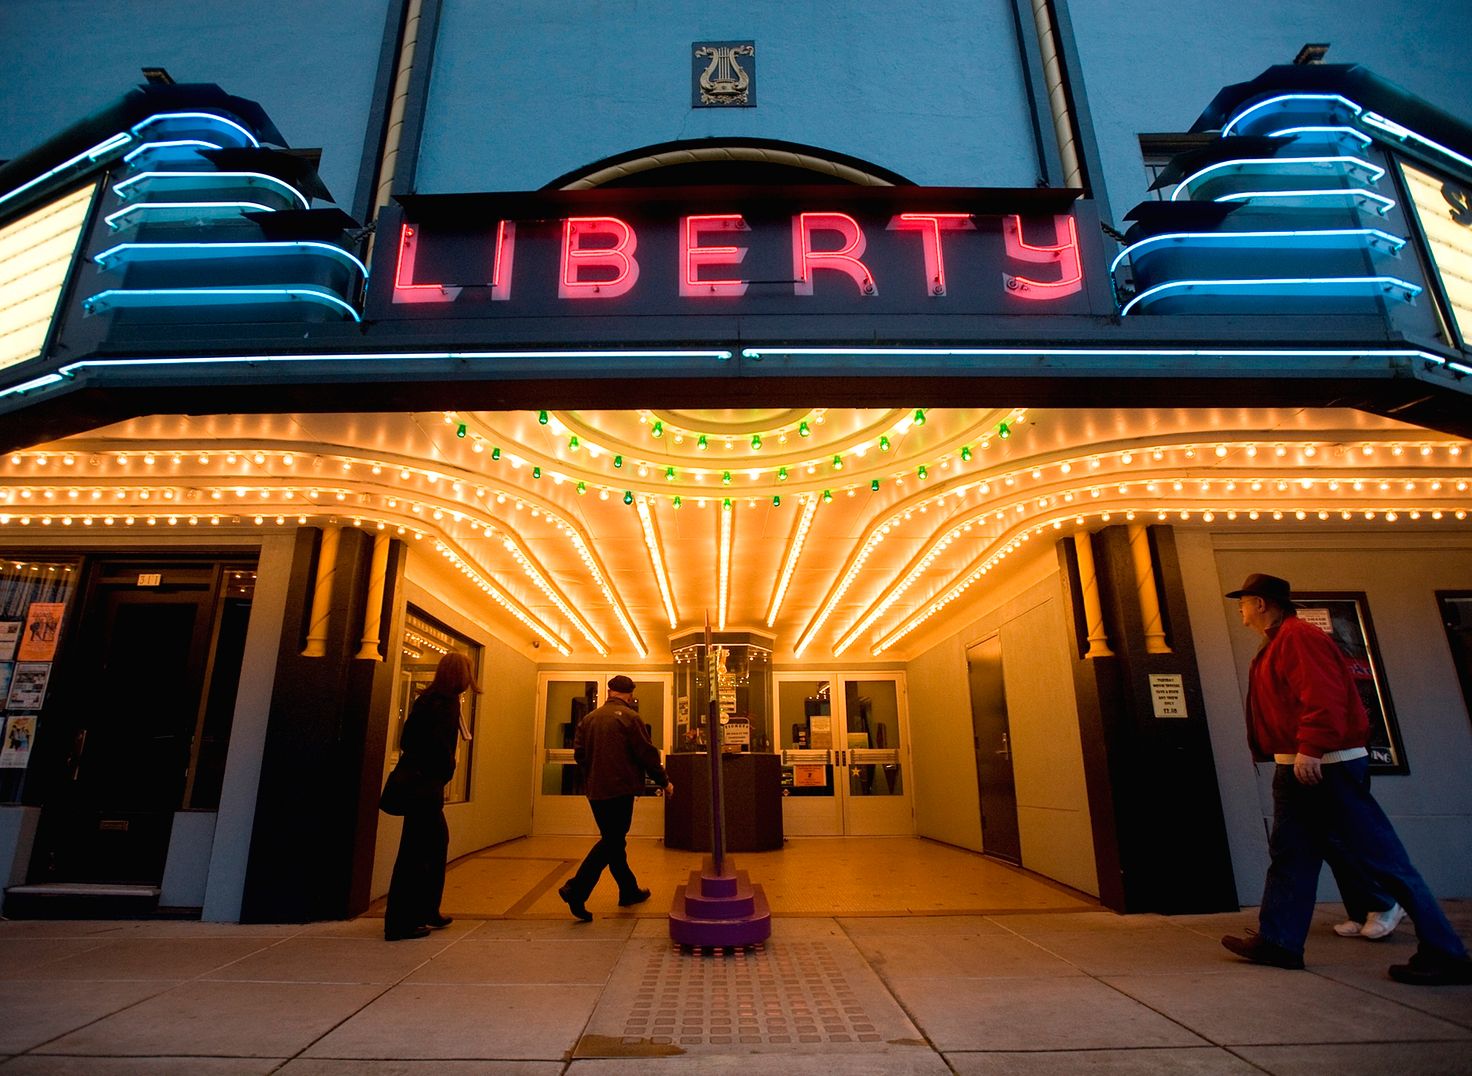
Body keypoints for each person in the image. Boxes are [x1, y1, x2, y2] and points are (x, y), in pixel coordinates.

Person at [1219, 573, 1472, 985]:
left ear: (1261, 603)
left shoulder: (1298, 638)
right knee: (1291, 856)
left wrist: (1312, 748)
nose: (1241, 610)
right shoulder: (1280, 641)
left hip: (1325, 766)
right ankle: (1279, 940)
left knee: (1381, 857)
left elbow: (1323, 695)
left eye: (1244, 602)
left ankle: (1446, 951)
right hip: (1301, 764)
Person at [558, 674, 673, 921]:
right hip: (620, 790)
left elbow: (580, 755)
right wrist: (664, 781)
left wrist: (595, 773)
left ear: (610, 691)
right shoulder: (631, 718)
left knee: (614, 841)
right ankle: (576, 889)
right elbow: (646, 754)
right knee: (612, 841)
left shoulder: (588, 719)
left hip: (596, 790)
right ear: (630, 694)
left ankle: (628, 890)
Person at [384, 651, 478, 941]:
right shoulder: (445, 704)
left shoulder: (428, 699)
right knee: (419, 851)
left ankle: (425, 911)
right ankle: (402, 922)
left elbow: (409, 739)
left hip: (419, 786)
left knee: (431, 846)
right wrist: (446, 769)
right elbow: (437, 748)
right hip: (425, 789)